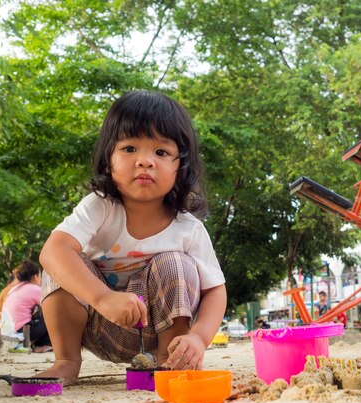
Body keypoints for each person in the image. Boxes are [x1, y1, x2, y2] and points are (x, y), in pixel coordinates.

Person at [36, 90, 227, 385]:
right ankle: (66, 361)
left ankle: (170, 362)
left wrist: (200, 338)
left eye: (161, 152)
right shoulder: (99, 206)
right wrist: (104, 298)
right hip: (96, 320)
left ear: (181, 166)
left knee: (177, 263)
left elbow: (215, 289)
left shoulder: (187, 228)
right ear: (108, 158)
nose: (145, 161)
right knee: (60, 257)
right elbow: (52, 252)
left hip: (154, 330)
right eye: (129, 149)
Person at [1, 260, 52, 352]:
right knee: (52, 312)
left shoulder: (14, 289)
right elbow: (52, 306)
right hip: (23, 332)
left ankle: (40, 344)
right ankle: (45, 344)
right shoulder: (34, 289)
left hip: (11, 331)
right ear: (35, 277)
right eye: (40, 276)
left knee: (40, 314)